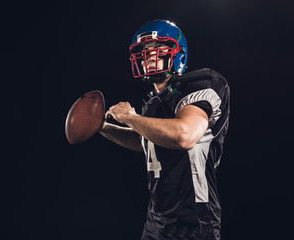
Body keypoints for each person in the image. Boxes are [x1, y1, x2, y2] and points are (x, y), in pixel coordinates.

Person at [98, 19, 230, 240]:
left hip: (194, 222)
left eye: (157, 49)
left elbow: (183, 135)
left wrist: (130, 117)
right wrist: (103, 127)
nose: (149, 56)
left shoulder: (202, 84)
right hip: (156, 220)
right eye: (144, 51)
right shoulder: (152, 102)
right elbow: (147, 141)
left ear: (179, 54)